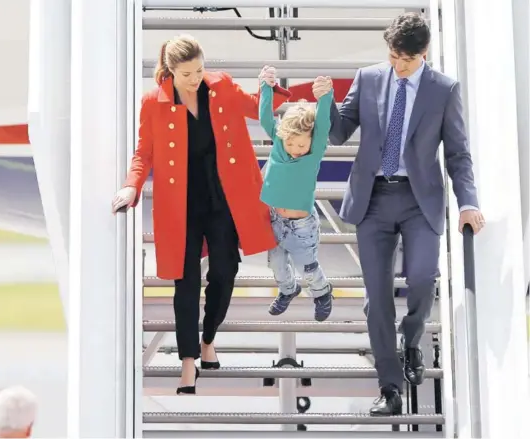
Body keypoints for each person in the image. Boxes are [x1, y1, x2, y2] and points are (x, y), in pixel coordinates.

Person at [312, 12, 485, 416]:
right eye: (392, 56)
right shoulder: (369, 77)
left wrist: (469, 203)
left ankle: (411, 340)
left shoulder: (444, 90)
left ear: (423, 52)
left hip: (418, 199)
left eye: (405, 59)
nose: (396, 65)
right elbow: (339, 132)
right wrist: (326, 102)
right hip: (371, 199)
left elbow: (458, 155)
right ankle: (388, 388)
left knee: (423, 279)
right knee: (377, 300)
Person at [111, 34, 291, 394]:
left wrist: (268, 87)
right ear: (171, 72)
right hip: (180, 204)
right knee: (186, 282)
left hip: (224, 198)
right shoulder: (153, 103)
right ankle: (189, 362)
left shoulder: (220, 86)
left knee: (225, 272)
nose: (196, 78)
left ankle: (208, 338)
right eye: (188, 73)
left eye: (199, 70)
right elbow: (143, 153)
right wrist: (132, 185)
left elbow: (258, 108)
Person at [258, 71, 334, 321]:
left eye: (302, 145)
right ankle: (288, 290)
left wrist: (325, 96)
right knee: (277, 266)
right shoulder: (280, 145)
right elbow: (265, 117)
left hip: (302, 226)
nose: (296, 150)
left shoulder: (313, 152)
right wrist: (266, 87)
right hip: (276, 221)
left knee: (308, 268)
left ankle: (322, 292)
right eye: (291, 144)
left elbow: (323, 124)